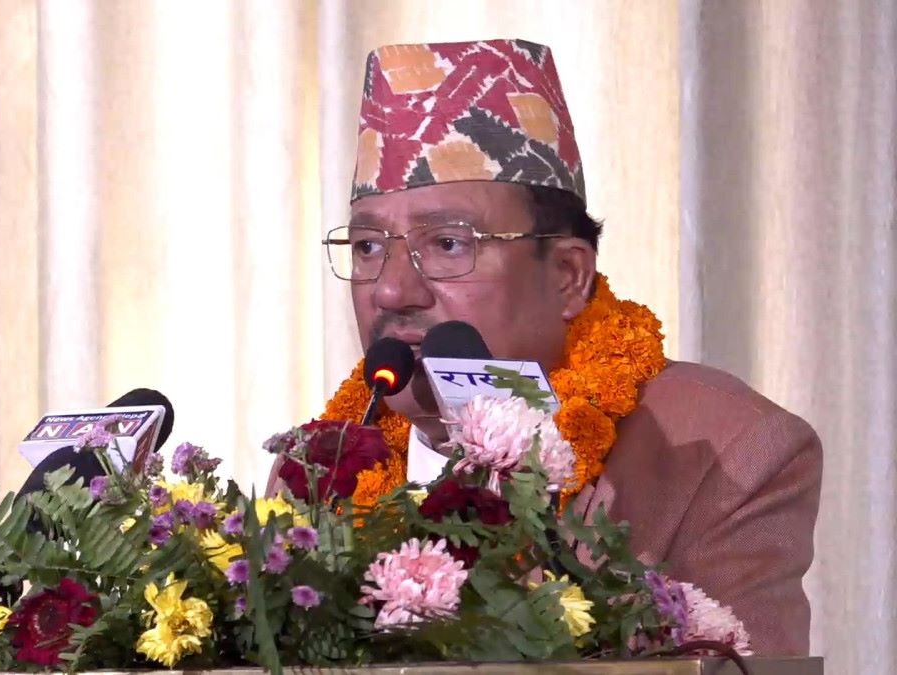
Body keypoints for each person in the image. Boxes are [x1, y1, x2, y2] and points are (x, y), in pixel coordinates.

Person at [269, 39, 821, 655]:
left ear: (566, 276)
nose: (392, 289)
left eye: (449, 244)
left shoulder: (728, 453)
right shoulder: (316, 474)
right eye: (368, 248)